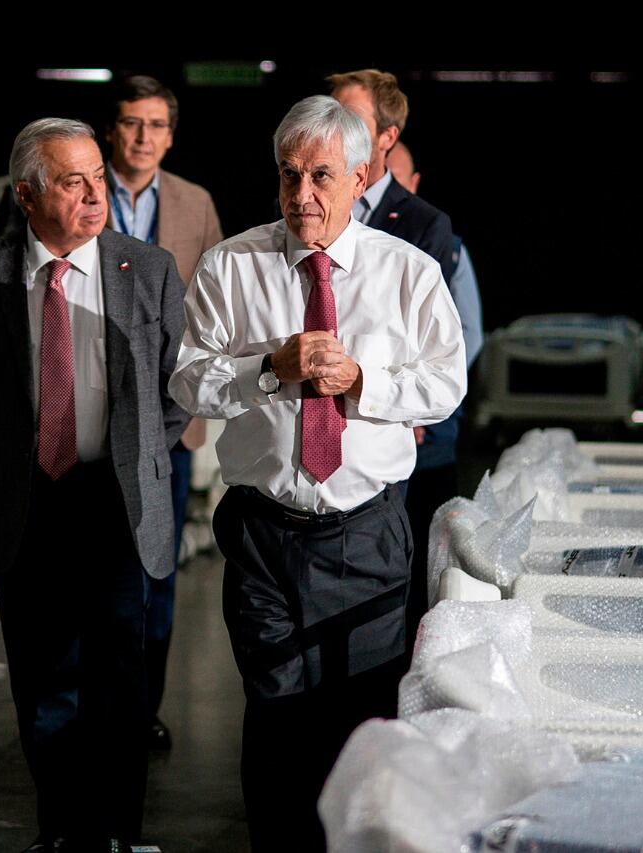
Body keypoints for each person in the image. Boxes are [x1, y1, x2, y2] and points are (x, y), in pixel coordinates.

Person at [168, 95, 466, 850]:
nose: (302, 195)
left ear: (362, 175)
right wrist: (267, 371)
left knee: (357, 721)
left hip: (365, 532)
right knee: (274, 713)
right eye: (289, 175)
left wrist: (364, 379)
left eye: (322, 176)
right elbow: (187, 382)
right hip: (264, 530)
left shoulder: (409, 271)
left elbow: (446, 382)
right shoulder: (231, 266)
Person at [0, 117, 188, 852]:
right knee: (42, 681)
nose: (94, 194)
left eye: (96, 177)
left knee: (117, 679)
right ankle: (59, 828)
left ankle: (115, 832)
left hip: (113, 500)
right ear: (26, 193)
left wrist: (134, 452)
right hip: (29, 501)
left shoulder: (147, 269)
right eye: (71, 181)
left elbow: (175, 390)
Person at [103, 73, 223, 750]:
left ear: (171, 136)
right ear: (111, 129)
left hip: (168, 426)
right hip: (88, 421)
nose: (143, 138)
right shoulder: (81, 192)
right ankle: (95, 708)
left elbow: (212, 311)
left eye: (155, 126)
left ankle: (142, 708)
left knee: (156, 573)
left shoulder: (195, 204)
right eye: (130, 123)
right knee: (91, 575)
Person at [386, 139, 484, 635]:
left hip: (431, 431)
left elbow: (467, 338)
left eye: (398, 178)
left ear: (415, 184)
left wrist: (420, 406)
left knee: (426, 553)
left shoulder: (444, 243)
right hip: (378, 430)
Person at [328, 68, 456, 283]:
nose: (334, 130)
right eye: (329, 116)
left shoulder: (426, 224)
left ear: (387, 137)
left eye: (351, 120)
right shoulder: (293, 206)